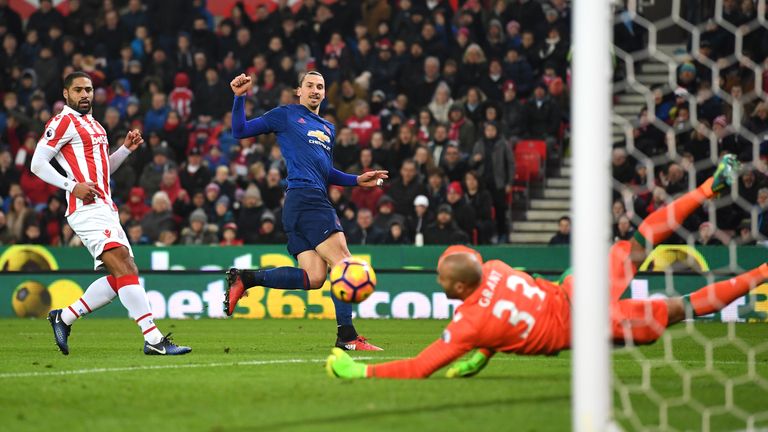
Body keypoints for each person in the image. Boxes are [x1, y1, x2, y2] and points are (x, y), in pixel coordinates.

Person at [324, 155, 766, 379]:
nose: (439, 282)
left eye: (442, 278)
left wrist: (359, 371)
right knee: (642, 239)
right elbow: (514, 305)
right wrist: (485, 351)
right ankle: (709, 187)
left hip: (591, 323)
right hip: (574, 289)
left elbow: (420, 367)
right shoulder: (495, 267)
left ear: (459, 287)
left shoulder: (469, 323)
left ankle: (762, 273)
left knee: (681, 306)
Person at [225, 71, 388, 351]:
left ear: (325, 94)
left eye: (320, 86)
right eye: (309, 85)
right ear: (298, 91)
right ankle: (347, 336)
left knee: (314, 278)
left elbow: (324, 171)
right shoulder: (286, 114)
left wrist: (355, 180)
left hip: (300, 204)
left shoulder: (327, 128)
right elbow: (240, 131)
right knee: (344, 264)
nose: (315, 90)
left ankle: (246, 278)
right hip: (307, 199)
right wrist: (240, 99)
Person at [30, 71, 190, 356]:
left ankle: (64, 317)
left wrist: (125, 150)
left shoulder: (95, 125)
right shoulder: (62, 122)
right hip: (86, 208)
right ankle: (153, 339)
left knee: (123, 276)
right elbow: (37, 163)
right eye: (78, 90)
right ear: (66, 94)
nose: (85, 95)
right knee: (124, 267)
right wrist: (72, 185)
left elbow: (102, 171)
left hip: (105, 206)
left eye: (88, 90)